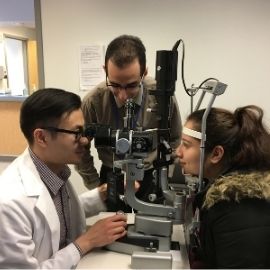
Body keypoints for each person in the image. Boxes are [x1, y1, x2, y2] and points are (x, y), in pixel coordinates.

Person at [0, 88, 127, 269]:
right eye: (77, 133)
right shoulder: (9, 203)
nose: (84, 141)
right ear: (42, 137)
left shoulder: (54, 170)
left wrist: (101, 194)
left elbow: (54, 215)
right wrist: (85, 243)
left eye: (85, 132)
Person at [76, 34, 182, 211]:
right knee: (114, 229)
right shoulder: (93, 101)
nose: (123, 96)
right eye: (115, 85)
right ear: (105, 70)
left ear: (144, 73)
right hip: (111, 174)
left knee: (149, 228)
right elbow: (80, 149)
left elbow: (174, 140)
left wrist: (165, 181)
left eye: (132, 85)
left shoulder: (162, 96)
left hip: (150, 175)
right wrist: (96, 186)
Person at [176, 105, 270, 268]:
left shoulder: (236, 206)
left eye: (186, 144)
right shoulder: (223, 193)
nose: (178, 152)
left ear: (216, 154)